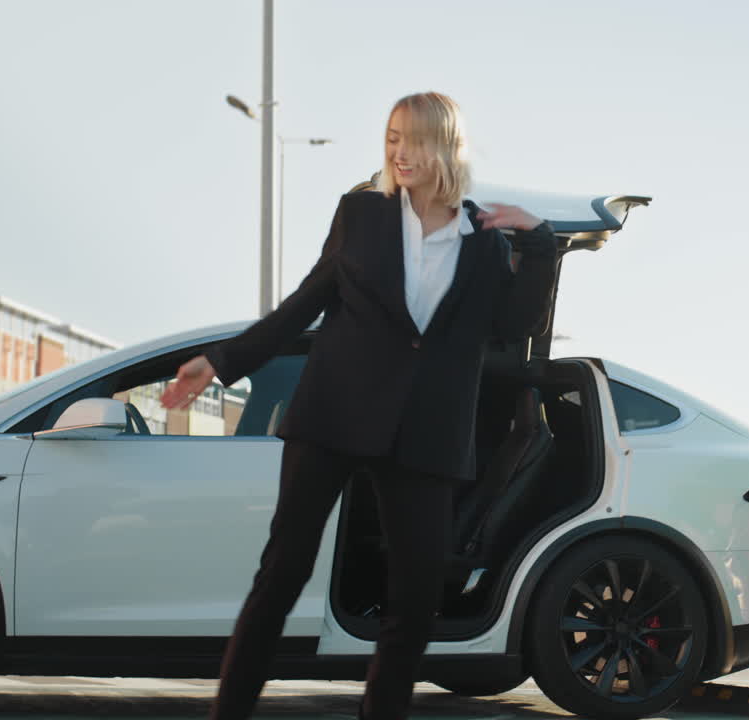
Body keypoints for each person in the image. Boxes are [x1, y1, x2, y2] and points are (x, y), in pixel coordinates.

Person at [159, 91, 558, 720]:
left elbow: (515, 323)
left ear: (446, 147)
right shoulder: (362, 214)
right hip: (333, 415)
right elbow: (304, 305)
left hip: (425, 434)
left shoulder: (481, 242)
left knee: (417, 596)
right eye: (392, 136)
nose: (400, 151)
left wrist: (540, 245)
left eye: (415, 139)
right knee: (282, 574)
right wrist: (223, 360)